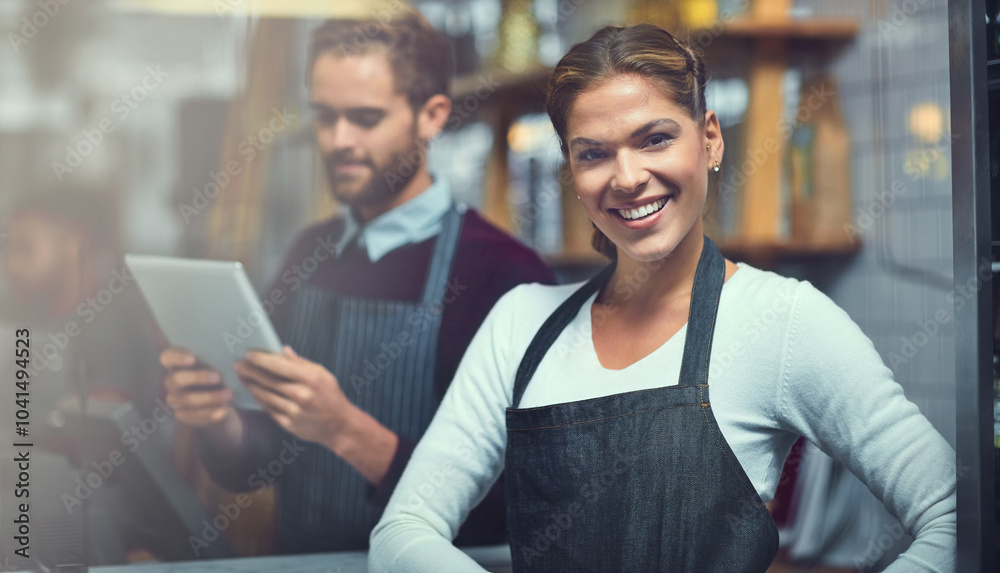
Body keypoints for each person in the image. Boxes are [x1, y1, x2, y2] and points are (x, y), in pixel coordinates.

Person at [369, 24, 956, 572]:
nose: (626, 177)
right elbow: (405, 526)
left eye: (654, 139)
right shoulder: (519, 325)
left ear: (709, 139)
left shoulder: (781, 319)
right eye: (593, 153)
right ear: (571, 173)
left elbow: (954, 513)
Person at [159, 9, 555, 555]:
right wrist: (219, 420)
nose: (339, 140)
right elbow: (259, 458)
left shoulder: (506, 275)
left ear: (432, 116)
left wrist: (345, 430)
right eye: (325, 116)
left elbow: (524, 506)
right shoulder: (308, 252)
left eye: (365, 118)